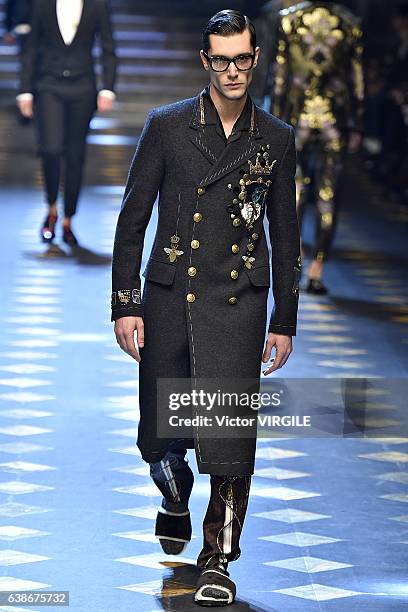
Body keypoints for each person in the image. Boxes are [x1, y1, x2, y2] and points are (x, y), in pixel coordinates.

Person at [111, 9, 300, 607]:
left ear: (255, 57)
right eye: (221, 60)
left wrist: (283, 318)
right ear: (205, 62)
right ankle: (173, 488)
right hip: (170, 294)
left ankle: (219, 557)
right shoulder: (167, 126)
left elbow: (287, 232)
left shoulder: (275, 138)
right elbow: (132, 218)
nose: (233, 71)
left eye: (242, 58)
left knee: (229, 434)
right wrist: (125, 303)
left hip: (239, 298)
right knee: (160, 435)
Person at [267, 1, 364, 294]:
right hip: (333, 120)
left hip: (297, 120)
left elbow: (280, 79)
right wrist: (357, 124)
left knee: (293, 189)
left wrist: (273, 120)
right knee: (328, 193)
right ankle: (317, 272)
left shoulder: (290, 21)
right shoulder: (349, 24)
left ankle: (293, 262)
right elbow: (356, 84)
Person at [17, 0, 117, 245]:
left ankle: (68, 220)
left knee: (75, 155)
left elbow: (107, 44)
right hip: (48, 84)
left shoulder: (96, 5)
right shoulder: (42, 4)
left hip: (83, 86)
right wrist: (25, 90)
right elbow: (31, 47)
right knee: (50, 149)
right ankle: (52, 208)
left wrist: (108, 87)